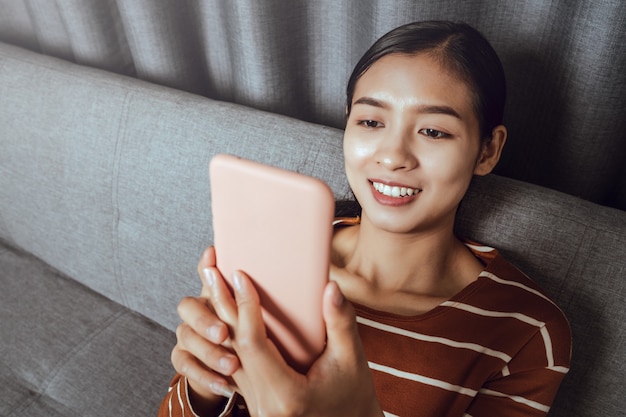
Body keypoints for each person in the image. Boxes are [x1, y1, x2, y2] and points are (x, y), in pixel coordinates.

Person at [158, 21, 571, 417]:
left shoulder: (527, 329)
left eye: (433, 132)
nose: (392, 156)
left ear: (487, 151)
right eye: (371, 122)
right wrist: (204, 384)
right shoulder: (274, 248)